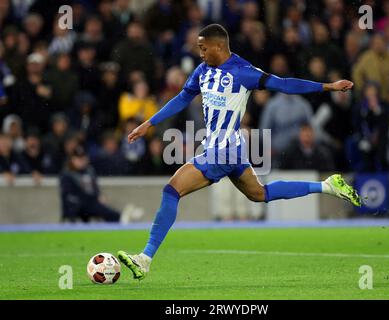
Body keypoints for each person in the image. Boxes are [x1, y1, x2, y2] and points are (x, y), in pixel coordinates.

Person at [117, 24, 361, 280]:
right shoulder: (202, 71)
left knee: (171, 190)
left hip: (223, 150)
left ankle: (145, 258)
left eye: (203, 48)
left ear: (219, 46)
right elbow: (181, 98)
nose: (199, 53)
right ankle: (327, 186)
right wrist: (149, 123)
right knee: (259, 193)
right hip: (231, 148)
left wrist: (328, 86)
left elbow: (285, 84)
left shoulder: (244, 72)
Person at [59, 145, 121, 223]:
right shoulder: (67, 174)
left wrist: (99, 196)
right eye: (78, 159)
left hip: (91, 204)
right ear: (72, 159)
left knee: (114, 215)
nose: (81, 161)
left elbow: (95, 189)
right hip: (75, 206)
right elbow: (67, 194)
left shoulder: (90, 171)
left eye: (83, 158)